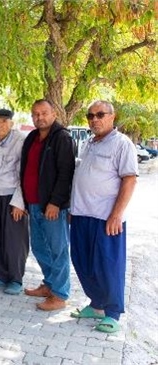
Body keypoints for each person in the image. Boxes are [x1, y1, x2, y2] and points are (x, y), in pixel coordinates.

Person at [69, 101, 137, 333]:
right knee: (82, 262)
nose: (94, 119)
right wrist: (72, 208)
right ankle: (96, 304)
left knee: (108, 265)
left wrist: (116, 214)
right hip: (81, 214)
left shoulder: (122, 144)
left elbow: (129, 179)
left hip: (105, 217)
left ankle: (113, 313)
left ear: (112, 116)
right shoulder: (88, 143)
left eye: (100, 115)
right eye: (90, 116)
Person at [20, 99, 75, 311]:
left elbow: (66, 174)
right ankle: (49, 284)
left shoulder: (62, 138)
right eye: (35, 114)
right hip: (33, 204)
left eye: (44, 113)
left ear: (54, 114)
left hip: (52, 207)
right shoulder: (32, 137)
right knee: (39, 247)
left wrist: (55, 203)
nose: (39, 117)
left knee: (58, 250)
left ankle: (60, 295)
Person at [0, 109, 29, 295]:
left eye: (3, 121)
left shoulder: (20, 140)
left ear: (11, 123)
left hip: (11, 196)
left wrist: (19, 202)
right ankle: (1, 275)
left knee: (14, 240)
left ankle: (16, 279)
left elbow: (24, 173)